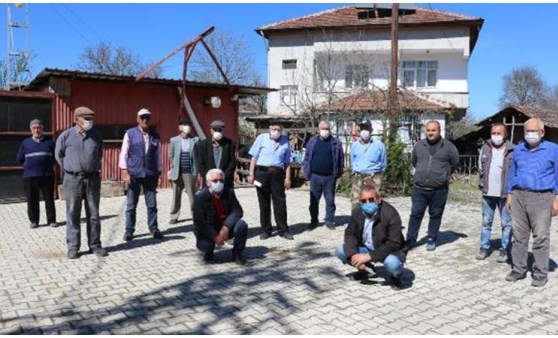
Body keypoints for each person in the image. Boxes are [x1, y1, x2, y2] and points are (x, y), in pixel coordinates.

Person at [505, 118, 558, 287]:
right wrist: (509, 194)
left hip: (542, 197)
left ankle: (540, 273)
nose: (530, 134)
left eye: (534, 131)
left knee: (541, 236)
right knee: (519, 235)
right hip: (519, 195)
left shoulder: (553, 149)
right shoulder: (518, 149)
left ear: (542, 133)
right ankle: (519, 269)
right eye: (527, 131)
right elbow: (513, 172)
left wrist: (557, 198)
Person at [55, 106, 107, 259]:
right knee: (72, 213)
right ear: (76, 119)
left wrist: (90, 167)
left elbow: (99, 154)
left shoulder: (96, 136)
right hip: (72, 179)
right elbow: (59, 155)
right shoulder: (66, 136)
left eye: (91, 118)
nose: (89, 121)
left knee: (94, 213)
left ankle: (95, 245)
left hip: (92, 179)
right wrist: (70, 168)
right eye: (86, 118)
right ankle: (73, 247)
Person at [335, 184, 406, 289]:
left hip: (389, 251)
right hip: (367, 247)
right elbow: (350, 233)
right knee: (340, 250)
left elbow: (394, 243)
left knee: (393, 264)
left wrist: (368, 257)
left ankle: (395, 277)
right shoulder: (357, 212)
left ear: (378, 199)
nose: (367, 203)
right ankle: (365, 270)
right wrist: (354, 255)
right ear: (360, 202)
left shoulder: (391, 214)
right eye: (364, 201)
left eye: (371, 199)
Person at [406, 120, 459, 251]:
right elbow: (414, 161)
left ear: (439, 131)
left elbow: (455, 163)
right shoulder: (419, 145)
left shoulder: (448, 147)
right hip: (419, 189)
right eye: (428, 130)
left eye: (433, 130)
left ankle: (431, 239)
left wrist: (443, 176)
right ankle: (410, 240)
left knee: (435, 215)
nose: (430, 133)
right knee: (415, 214)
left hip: (439, 190)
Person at [119, 108, 164, 242]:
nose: (145, 120)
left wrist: (159, 173)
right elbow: (124, 153)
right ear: (137, 119)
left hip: (150, 174)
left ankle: (154, 228)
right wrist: (124, 171)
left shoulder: (155, 135)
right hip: (134, 174)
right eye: (142, 117)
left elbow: (158, 155)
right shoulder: (130, 133)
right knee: (131, 205)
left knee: (152, 205)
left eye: (147, 118)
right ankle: (129, 231)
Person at [247, 120, 294, 240]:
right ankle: (266, 230)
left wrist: (287, 177)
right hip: (262, 173)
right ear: (269, 129)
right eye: (274, 129)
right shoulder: (261, 138)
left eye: (279, 130)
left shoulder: (285, 141)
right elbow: (254, 157)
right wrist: (251, 174)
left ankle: (283, 230)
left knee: (280, 202)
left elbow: (287, 162)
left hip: (277, 174)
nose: (276, 132)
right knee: (264, 202)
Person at [476, 122, 514, 262]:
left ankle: (505, 250)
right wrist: (482, 184)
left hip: (505, 194)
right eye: (494, 133)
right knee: (486, 222)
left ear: (505, 135)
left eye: (499, 133)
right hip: (488, 193)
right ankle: (484, 247)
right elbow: (480, 168)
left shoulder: (512, 150)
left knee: (506, 224)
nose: (496, 136)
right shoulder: (485, 149)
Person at [193, 168, 248, 265]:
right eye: (215, 181)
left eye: (221, 180)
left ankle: (237, 254)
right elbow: (200, 222)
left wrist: (226, 226)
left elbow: (238, 211)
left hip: (225, 226)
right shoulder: (200, 197)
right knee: (206, 245)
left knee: (242, 225)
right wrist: (215, 236)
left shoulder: (229, 192)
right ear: (207, 183)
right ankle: (209, 252)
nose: (219, 183)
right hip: (209, 228)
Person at [302, 120, 344, 230]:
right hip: (315, 176)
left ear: (330, 130)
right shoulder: (312, 141)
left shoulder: (336, 143)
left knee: (330, 200)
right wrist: (307, 172)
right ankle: (314, 221)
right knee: (314, 201)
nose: (325, 131)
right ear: (319, 129)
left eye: (327, 129)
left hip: (330, 177)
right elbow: (307, 157)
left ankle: (329, 221)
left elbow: (340, 159)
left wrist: (338, 174)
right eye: (323, 128)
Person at [17, 119, 57, 229]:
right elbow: (20, 159)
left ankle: (52, 220)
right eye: (34, 128)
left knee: (49, 199)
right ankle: (34, 221)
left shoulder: (50, 143)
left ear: (42, 128)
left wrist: (46, 166)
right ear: (31, 129)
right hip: (30, 176)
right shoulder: (25, 143)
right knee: (32, 199)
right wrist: (30, 166)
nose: (37, 130)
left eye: (39, 127)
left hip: (47, 175)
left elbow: (55, 158)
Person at [168, 120, 199, 224]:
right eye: (185, 125)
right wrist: (173, 167)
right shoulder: (174, 140)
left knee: (192, 195)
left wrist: (196, 172)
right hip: (177, 172)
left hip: (189, 172)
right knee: (176, 195)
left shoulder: (195, 140)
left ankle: (195, 216)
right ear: (180, 127)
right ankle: (174, 216)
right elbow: (171, 155)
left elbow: (197, 157)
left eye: (189, 125)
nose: (188, 127)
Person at [349, 118, 387, 203]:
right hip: (358, 177)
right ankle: (357, 216)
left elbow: (383, 163)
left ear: (371, 129)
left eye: (367, 128)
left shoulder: (379, 145)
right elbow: (352, 161)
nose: (364, 130)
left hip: (373, 178)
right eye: (363, 128)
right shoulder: (354, 146)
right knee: (356, 203)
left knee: (373, 203)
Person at [196, 120, 236, 189]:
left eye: (219, 130)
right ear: (211, 130)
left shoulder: (229, 144)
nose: (217, 132)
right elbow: (200, 163)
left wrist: (223, 177)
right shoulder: (203, 144)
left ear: (223, 130)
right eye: (215, 129)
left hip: (225, 181)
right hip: (209, 181)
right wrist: (208, 177)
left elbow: (232, 162)